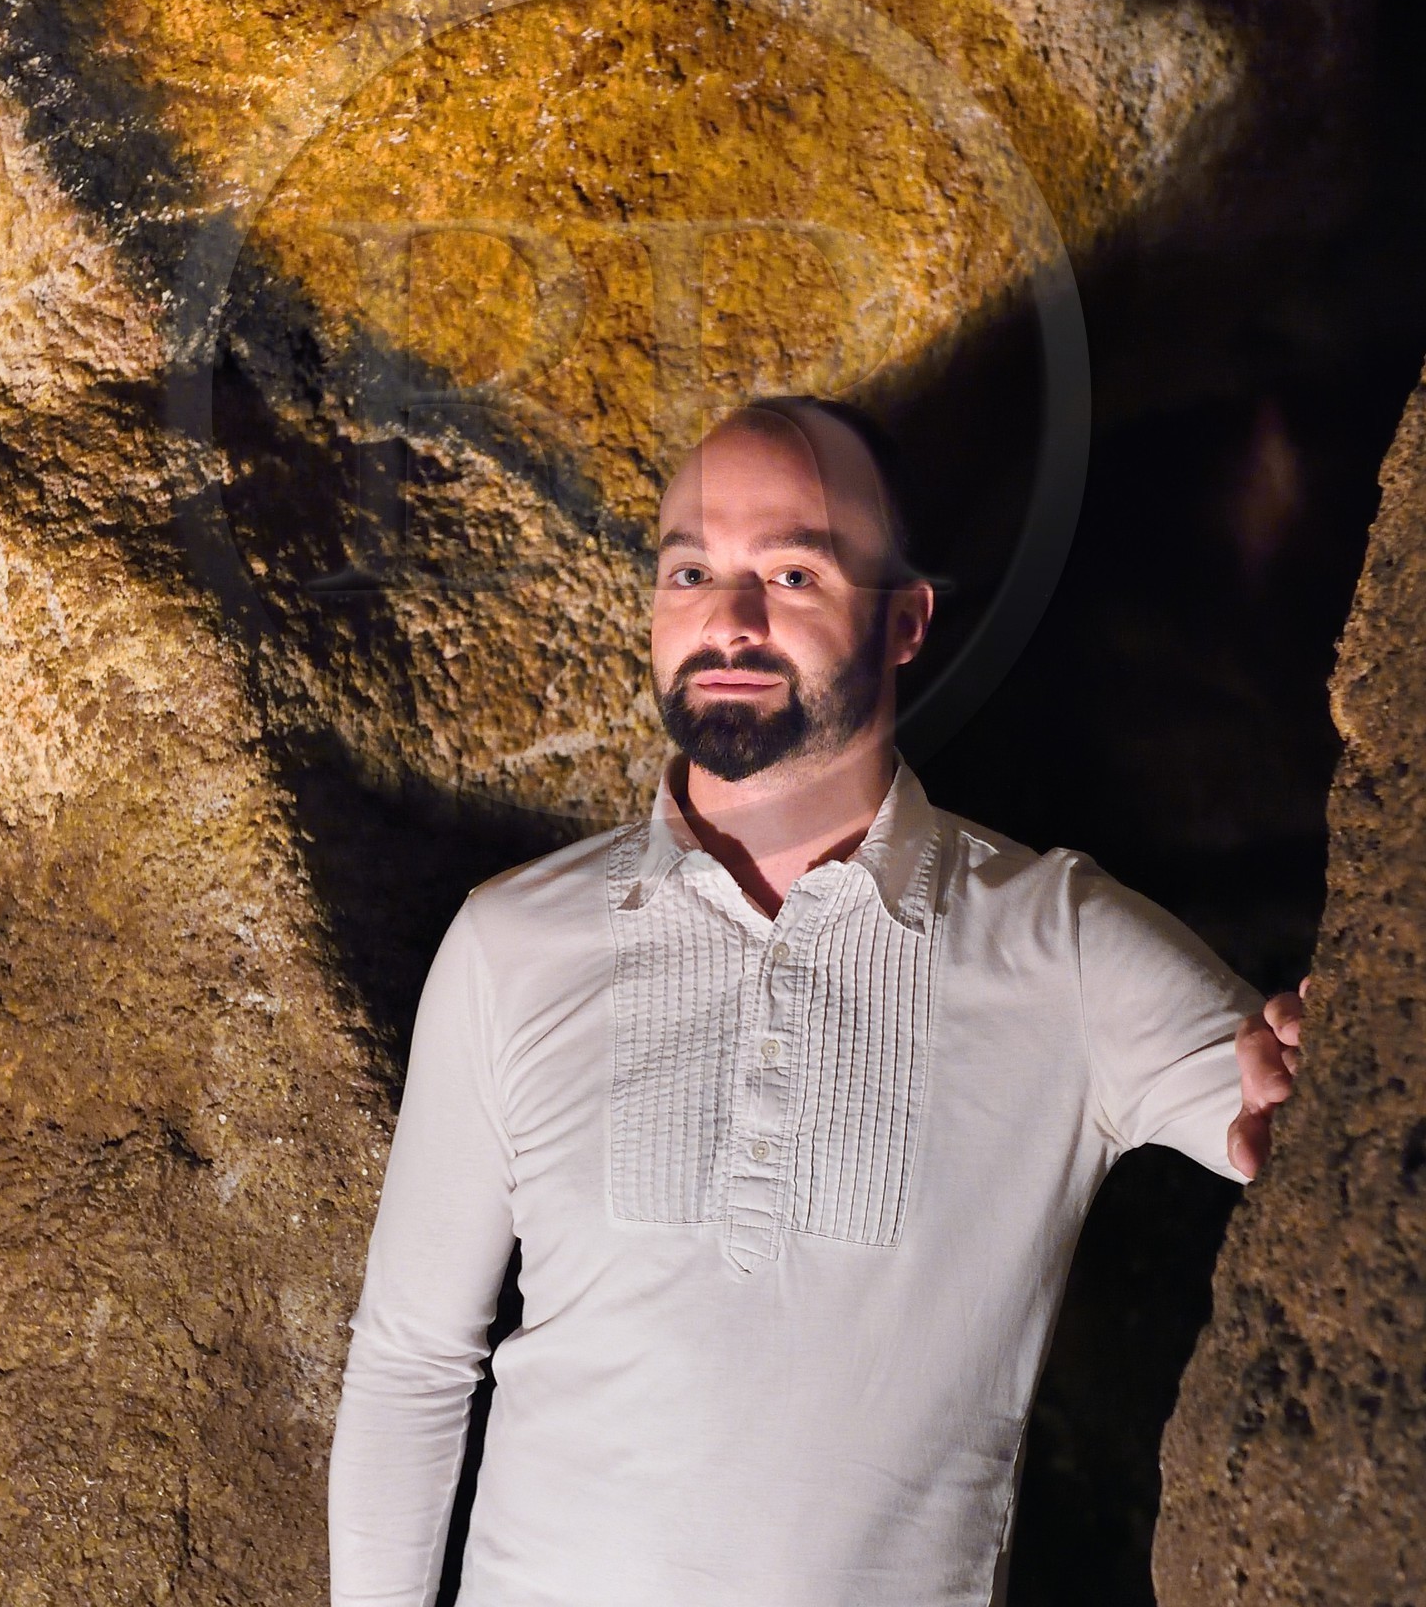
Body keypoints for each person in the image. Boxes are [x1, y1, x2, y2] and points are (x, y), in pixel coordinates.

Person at [328, 397, 1304, 1606]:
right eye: (691, 570)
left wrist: (1325, 1049)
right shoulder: (511, 943)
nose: (728, 619)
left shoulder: (1063, 946)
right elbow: (413, 1366)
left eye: (791, 571)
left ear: (904, 621)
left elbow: (1307, 1118)